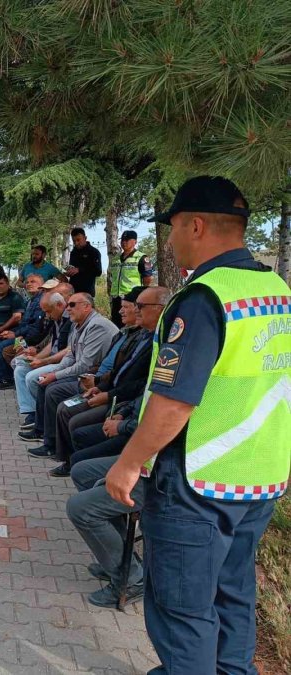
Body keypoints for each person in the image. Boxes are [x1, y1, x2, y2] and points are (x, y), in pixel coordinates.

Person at [105, 176, 291, 675]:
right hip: (259, 476)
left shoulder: (205, 298)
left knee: (183, 611)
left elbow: (173, 403)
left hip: (198, 484)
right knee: (233, 595)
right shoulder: (275, 290)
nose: (169, 240)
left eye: (173, 228)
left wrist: (128, 463)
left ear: (197, 224)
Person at [48, 287, 167, 476]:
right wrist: (98, 385)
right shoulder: (132, 335)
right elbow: (117, 371)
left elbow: (143, 385)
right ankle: (60, 453)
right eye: (132, 306)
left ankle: (75, 463)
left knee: (72, 416)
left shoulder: (161, 342)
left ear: (160, 309)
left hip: (123, 404)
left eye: (139, 306)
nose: (132, 311)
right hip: (109, 392)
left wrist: (111, 400)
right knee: (59, 398)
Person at [20, 293, 119, 457]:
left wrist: (55, 376)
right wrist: (53, 372)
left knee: (53, 390)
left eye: (72, 305)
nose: (68, 308)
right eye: (67, 305)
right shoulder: (78, 324)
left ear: (87, 306)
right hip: (83, 373)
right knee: (45, 383)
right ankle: (43, 433)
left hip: (93, 379)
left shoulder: (97, 326)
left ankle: (52, 445)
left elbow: (84, 365)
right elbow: (71, 356)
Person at [67, 451, 145, 609]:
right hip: (147, 461)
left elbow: (160, 430)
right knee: (82, 472)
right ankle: (124, 562)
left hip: (168, 477)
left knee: (80, 509)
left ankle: (132, 581)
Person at [12, 292, 72, 426]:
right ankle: (32, 411)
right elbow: (53, 344)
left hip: (64, 363)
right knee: (19, 366)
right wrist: (37, 358)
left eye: (48, 311)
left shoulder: (71, 320)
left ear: (59, 305)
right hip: (53, 359)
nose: (47, 316)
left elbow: (70, 350)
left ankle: (41, 416)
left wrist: (43, 361)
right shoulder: (58, 318)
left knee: (31, 377)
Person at [0, 273, 46, 388]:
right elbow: (23, 323)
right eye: (27, 282)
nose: (28, 284)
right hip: (23, 335)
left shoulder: (41, 301)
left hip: (31, 340)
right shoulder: (30, 301)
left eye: (33, 282)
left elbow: (35, 328)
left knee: (3, 345)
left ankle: (6, 379)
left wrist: (16, 334)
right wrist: (11, 332)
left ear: (42, 285)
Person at [108, 230, 154, 328]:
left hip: (131, 298)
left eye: (127, 240)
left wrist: (140, 294)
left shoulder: (142, 258)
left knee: (132, 325)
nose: (124, 242)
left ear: (135, 241)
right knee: (116, 325)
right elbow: (112, 276)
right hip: (116, 299)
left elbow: (148, 278)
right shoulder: (116, 258)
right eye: (122, 240)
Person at [65, 227, 102, 296]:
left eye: (78, 240)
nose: (76, 243)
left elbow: (98, 271)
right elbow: (72, 268)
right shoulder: (73, 253)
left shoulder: (94, 252)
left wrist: (79, 270)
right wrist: (69, 272)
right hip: (72, 291)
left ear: (85, 238)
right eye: (74, 241)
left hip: (87, 292)